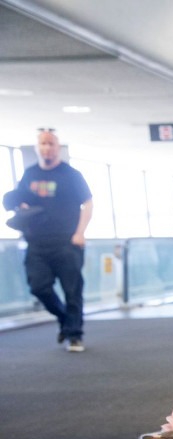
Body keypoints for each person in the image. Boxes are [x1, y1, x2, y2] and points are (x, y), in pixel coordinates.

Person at [2, 128, 93, 352]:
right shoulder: (30, 174)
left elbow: (88, 203)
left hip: (67, 241)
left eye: (51, 144)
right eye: (43, 144)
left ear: (57, 147)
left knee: (72, 290)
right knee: (38, 287)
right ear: (37, 148)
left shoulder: (71, 175)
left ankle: (75, 335)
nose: (47, 148)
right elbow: (19, 200)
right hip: (36, 242)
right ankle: (65, 319)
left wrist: (80, 232)